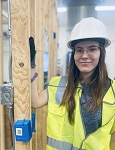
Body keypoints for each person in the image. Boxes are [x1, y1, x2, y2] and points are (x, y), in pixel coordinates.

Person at [29, 17, 115, 150]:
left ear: (101, 52)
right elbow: (35, 102)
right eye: (79, 50)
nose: (84, 55)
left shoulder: (113, 91)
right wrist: (31, 65)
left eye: (92, 49)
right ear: (74, 53)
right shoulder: (58, 84)